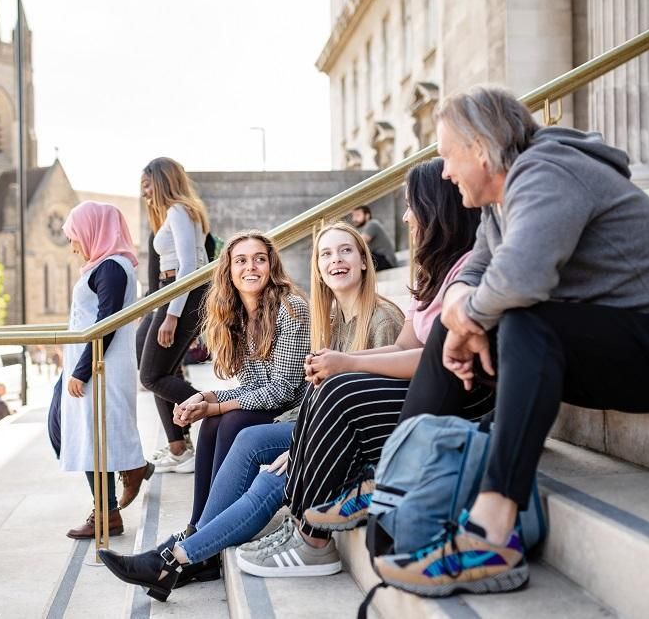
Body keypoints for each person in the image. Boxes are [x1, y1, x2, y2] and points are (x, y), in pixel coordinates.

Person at [375, 86, 649, 597]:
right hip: (617, 344)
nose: (447, 173)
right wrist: (458, 309)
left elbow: (520, 280)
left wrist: (464, 315)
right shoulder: (501, 202)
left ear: (481, 147)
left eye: (448, 158)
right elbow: (476, 267)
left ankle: (491, 535)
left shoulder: (548, 172)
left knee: (521, 319)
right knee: (479, 320)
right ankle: (399, 487)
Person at [99, 223, 402, 599]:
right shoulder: (332, 318)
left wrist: (304, 446)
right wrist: (209, 398)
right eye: (326, 254)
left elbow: (313, 396)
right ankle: (193, 542)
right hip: (318, 429)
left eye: (345, 252)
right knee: (220, 425)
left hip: (334, 437)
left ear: (364, 261)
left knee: (243, 433)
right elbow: (294, 393)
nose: (335, 261)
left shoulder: (348, 317)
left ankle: (185, 553)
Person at [238, 158, 489, 577]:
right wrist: (336, 362)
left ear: (436, 207)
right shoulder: (432, 273)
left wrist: (349, 363)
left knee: (340, 389)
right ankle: (302, 522)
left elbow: (436, 357)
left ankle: (313, 540)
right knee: (328, 381)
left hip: (461, 394)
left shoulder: (468, 270)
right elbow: (405, 345)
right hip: (429, 383)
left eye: (412, 205)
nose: (407, 216)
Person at [163, 232, 309, 551]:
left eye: (260, 259)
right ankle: (196, 526)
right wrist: (205, 398)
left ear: (271, 265)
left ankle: (207, 536)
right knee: (214, 421)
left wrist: (216, 407)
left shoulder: (291, 309)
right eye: (241, 260)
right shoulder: (237, 317)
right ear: (228, 269)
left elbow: (282, 390)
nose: (250, 267)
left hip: (297, 413)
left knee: (228, 421)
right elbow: (253, 387)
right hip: (275, 406)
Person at [46, 201, 154, 540]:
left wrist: (81, 371)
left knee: (91, 437)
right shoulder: (104, 266)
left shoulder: (112, 267)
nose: (73, 245)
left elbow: (105, 323)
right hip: (90, 364)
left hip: (97, 368)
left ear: (93, 231)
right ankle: (130, 470)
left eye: (75, 237)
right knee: (71, 430)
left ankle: (108, 511)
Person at [137, 157, 211, 474]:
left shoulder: (179, 211)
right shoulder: (176, 212)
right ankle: (179, 446)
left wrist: (171, 315)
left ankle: (217, 410)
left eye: (147, 185)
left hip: (181, 295)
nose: (144, 193)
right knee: (160, 369)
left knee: (151, 376)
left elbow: (190, 267)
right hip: (173, 294)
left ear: (162, 181)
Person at [350, 205, 398, 271]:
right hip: (380, 259)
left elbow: (360, 243)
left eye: (357, 215)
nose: (354, 219)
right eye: (353, 216)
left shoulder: (372, 224)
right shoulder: (366, 227)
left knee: (358, 258)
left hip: (386, 260)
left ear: (367, 216)